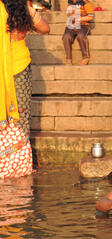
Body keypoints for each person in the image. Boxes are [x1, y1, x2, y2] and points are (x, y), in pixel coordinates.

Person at [1, 0, 49, 178]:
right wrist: (29, 9)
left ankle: (4, 163)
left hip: (7, 70)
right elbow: (45, 28)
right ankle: (19, 163)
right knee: (21, 115)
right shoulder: (23, 9)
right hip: (19, 68)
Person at [62, 0, 94, 65]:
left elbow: (90, 17)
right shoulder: (70, 2)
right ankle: (68, 59)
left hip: (83, 25)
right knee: (66, 37)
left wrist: (78, 19)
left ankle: (85, 57)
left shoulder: (86, 2)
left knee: (81, 36)